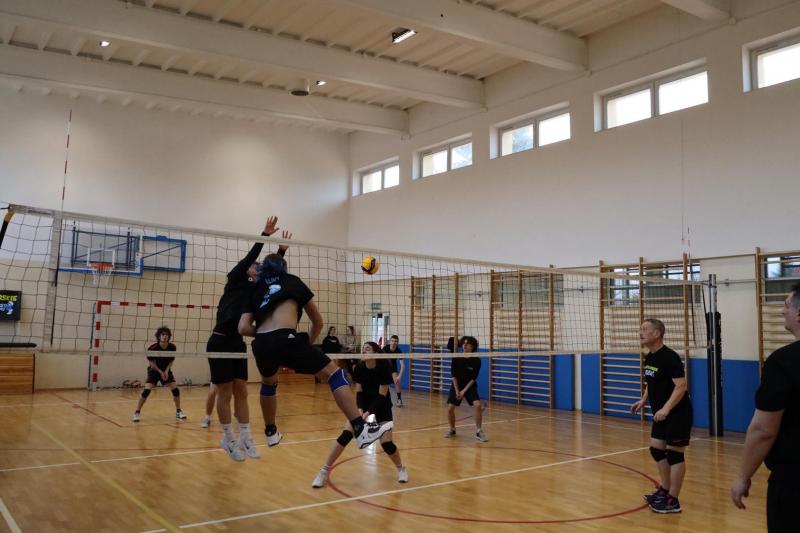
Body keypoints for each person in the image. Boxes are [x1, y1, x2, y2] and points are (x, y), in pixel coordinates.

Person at [238, 253, 392, 453]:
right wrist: (304, 345)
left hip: (261, 344)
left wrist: (267, 336)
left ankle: (271, 431)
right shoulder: (293, 281)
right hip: (286, 339)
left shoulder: (255, 288)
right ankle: (361, 429)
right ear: (284, 268)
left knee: (268, 383)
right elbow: (318, 323)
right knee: (336, 374)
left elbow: (243, 328)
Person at [204, 216, 289, 460]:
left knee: (241, 391)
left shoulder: (255, 290)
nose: (256, 268)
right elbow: (251, 257)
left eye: (259, 268)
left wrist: (281, 252)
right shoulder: (234, 279)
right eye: (254, 266)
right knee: (224, 392)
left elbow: (271, 273)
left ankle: (245, 436)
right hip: (220, 340)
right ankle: (228, 438)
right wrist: (264, 236)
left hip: (237, 343)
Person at [731, 283, 800, 532]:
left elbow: (763, 430)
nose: (782, 311)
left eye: (786, 305)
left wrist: (743, 476)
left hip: (793, 482)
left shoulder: (783, 362)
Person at [312, 341, 408, 488]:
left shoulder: (384, 368)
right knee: (346, 434)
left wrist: (368, 412)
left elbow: (381, 396)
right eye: (363, 349)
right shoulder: (360, 368)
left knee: (386, 443)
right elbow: (359, 392)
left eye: (367, 349)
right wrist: (360, 409)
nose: (363, 351)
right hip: (364, 405)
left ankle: (401, 469)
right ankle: (323, 472)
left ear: (375, 353)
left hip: (382, 405)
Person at [630, 318, 693, 514]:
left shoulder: (669, 357)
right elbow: (652, 382)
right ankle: (665, 490)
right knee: (657, 450)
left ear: (656, 334)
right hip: (661, 414)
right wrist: (643, 400)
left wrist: (666, 409)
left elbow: (681, 386)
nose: (640, 332)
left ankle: (673, 500)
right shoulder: (650, 357)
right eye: (640, 329)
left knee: (675, 454)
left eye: (644, 329)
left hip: (677, 414)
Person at [132, 326, 186, 422]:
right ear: (159, 336)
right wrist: (160, 372)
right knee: (146, 391)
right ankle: (137, 412)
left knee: (175, 390)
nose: (165, 336)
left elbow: (171, 361)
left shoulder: (172, 347)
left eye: (167, 335)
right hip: (154, 370)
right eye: (163, 334)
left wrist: (166, 371)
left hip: (166, 370)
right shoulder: (153, 348)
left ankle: (178, 411)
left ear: (169, 336)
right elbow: (151, 363)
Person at [444, 336, 488, 442]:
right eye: (463, 343)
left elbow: (473, 378)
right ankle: (452, 429)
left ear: (472, 346)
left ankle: (479, 431)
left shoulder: (476, 360)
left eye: (467, 343)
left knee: (477, 405)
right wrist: (457, 390)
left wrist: (464, 391)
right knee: (450, 408)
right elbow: (453, 375)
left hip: (469, 386)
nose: (464, 345)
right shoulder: (456, 357)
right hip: (456, 385)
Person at [383, 334, 405, 407]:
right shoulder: (385, 348)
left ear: (397, 343)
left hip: (393, 367)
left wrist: (399, 376)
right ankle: (386, 399)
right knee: (384, 383)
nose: (394, 342)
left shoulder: (399, 351)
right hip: (385, 367)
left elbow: (402, 365)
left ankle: (399, 399)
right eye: (392, 341)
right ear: (390, 342)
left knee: (397, 382)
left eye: (395, 341)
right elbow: (381, 360)